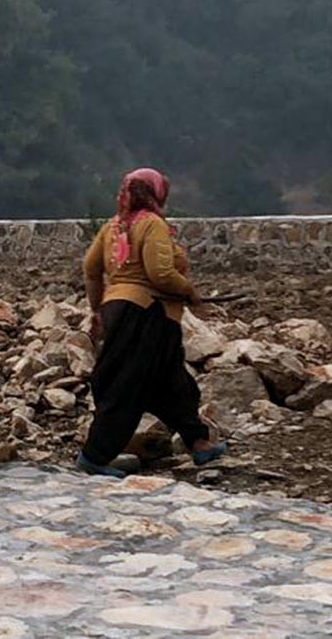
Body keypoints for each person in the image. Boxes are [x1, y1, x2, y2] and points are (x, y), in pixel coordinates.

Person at [76, 167, 225, 477]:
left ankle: (199, 443)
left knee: (172, 382)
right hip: (146, 315)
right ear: (157, 194)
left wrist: (97, 310)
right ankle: (95, 455)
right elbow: (159, 274)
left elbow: (91, 269)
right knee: (127, 383)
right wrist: (191, 293)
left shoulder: (112, 228)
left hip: (122, 309)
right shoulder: (152, 224)